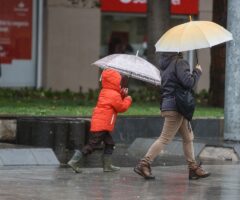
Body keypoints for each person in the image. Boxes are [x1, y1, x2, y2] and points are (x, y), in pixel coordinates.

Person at [134, 52, 210, 180]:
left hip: (170, 105)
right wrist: (197, 72)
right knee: (165, 138)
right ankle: (144, 163)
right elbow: (188, 83)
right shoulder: (179, 63)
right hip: (177, 106)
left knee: (188, 137)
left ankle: (193, 168)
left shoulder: (166, 65)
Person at [67, 68, 132, 173]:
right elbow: (121, 107)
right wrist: (127, 99)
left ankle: (107, 166)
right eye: (118, 81)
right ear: (114, 82)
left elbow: (114, 101)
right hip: (102, 125)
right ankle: (74, 161)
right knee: (92, 145)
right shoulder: (113, 95)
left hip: (101, 124)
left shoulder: (105, 91)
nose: (119, 83)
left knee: (109, 143)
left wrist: (122, 94)